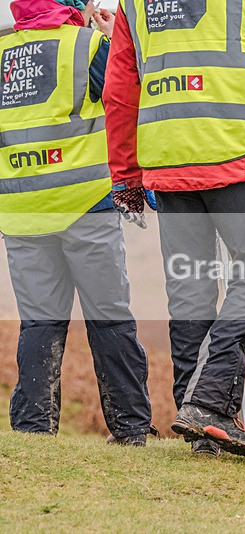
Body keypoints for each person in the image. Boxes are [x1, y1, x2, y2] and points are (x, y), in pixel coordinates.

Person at [104, 0, 245, 456]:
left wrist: (125, 176)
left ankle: (197, 419)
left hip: (167, 163)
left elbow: (120, 91)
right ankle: (210, 403)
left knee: (189, 288)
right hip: (235, 157)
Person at [0, 0, 154, 445]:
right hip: (86, 203)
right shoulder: (87, 47)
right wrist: (112, 38)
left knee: (39, 323)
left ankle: (32, 431)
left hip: (22, 211)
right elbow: (134, 96)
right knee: (109, 317)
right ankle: (130, 429)